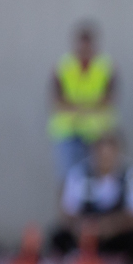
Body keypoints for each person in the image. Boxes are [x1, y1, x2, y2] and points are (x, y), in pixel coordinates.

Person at [50, 130, 133, 264]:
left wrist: (109, 226)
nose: (104, 157)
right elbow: (68, 212)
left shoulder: (130, 175)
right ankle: (78, 260)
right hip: (85, 235)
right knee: (58, 236)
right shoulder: (79, 174)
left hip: (116, 234)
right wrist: (82, 227)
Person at [48, 22, 118, 186]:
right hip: (68, 132)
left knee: (96, 179)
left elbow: (109, 100)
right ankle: (66, 212)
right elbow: (56, 101)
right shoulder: (63, 66)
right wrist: (89, 106)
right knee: (66, 178)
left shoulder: (106, 66)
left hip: (97, 133)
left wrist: (77, 106)